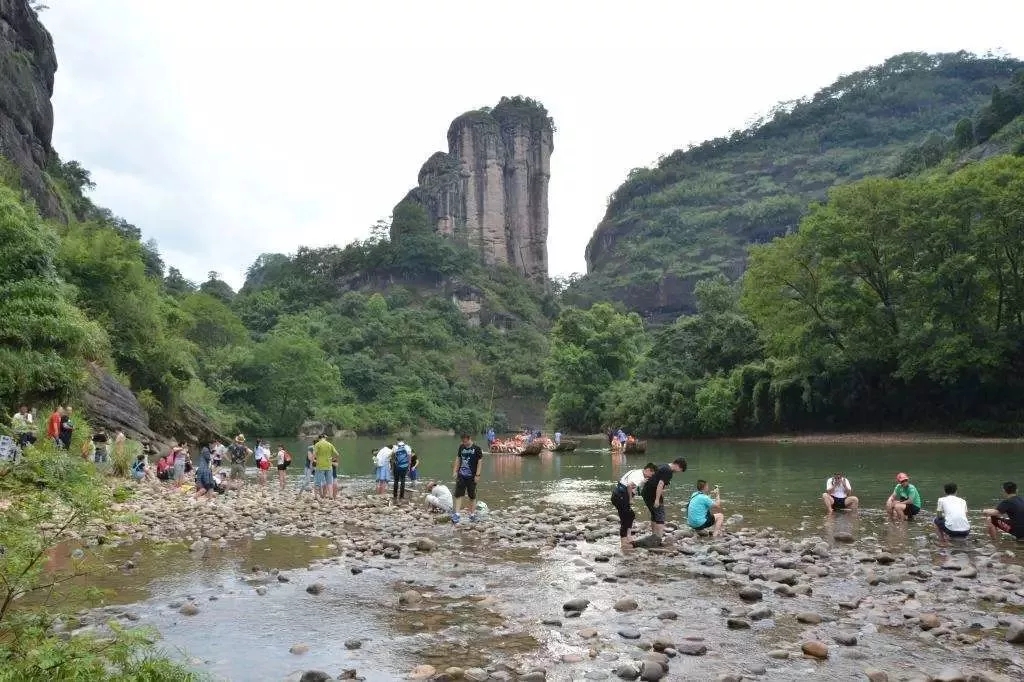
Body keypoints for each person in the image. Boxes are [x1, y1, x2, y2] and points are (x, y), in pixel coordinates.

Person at [640, 457, 688, 537]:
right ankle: (658, 538)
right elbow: (660, 484)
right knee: (660, 516)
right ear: (678, 466)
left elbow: (653, 478)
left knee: (654, 514)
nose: (678, 472)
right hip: (652, 493)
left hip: (646, 492)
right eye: (680, 470)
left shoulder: (663, 466)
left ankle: (654, 535)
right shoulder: (668, 471)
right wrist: (657, 500)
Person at [612, 465, 654, 550]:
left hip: (617, 494)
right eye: (651, 474)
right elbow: (629, 486)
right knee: (626, 518)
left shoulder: (636, 471)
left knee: (630, 515)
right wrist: (631, 499)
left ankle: (628, 536)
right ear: (648, 470)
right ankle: (624, 543)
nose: (650, 477)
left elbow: (629, 484)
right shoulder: (639, 476)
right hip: (621, 496)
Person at [452, 434, 484, 523]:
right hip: (461, 475)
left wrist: (478, 475)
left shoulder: (477, 449)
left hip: (472, 476)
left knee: (472, 496)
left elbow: (480, 462)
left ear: (470, 439)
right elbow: (458, 459)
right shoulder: (461, 447)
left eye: (465, 441)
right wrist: (455, 471)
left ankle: (472, 514)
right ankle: (457, 514)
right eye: (463, 441)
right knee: (458, 494)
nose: (464, 443)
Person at [312, 434, 338, 499]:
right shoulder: (330, 444)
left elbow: (314, 455)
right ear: (324, 438)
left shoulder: (317, 444)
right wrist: (331, 459)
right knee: (329, 482)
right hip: (329, 466)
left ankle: (316, 496)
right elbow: (337, 454)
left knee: (318, 482)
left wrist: (314, 461)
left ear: (319, 438)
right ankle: (330, 496)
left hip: (320, 466)